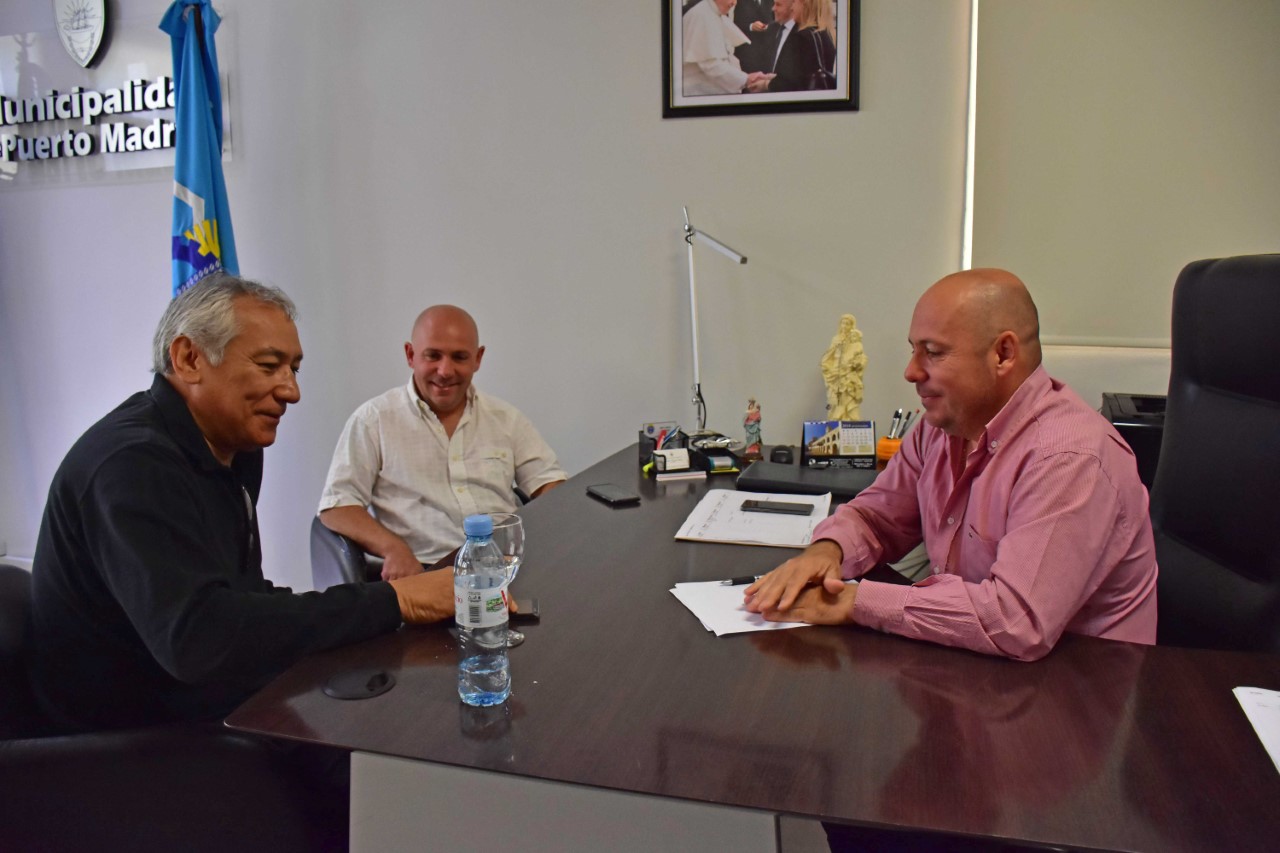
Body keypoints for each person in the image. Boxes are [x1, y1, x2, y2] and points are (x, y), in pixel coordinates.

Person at [27, 274, 454, 733]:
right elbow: (199, 640)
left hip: (207, 699)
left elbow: (240, 600)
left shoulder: (235, 448)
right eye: (270, 366)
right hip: (129, 746)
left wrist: (386, 609)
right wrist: (395, 601)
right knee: (386, 751)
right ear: (189, 358)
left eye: (294, 369)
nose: (291, 391)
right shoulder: (131, 465)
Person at [745, 269, 1158, 661]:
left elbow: (1015, 620)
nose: (910, 371)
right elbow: (877, 517)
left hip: (1079, 691)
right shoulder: (941, 429)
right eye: (913, 350)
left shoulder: (1069, 458)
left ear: (1003, 353)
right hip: (983, 670)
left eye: (933, 352)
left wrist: (855, 602)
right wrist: (827, 550)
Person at [319, 305, 566, 580]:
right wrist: (393, 548)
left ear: (478, 358)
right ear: (411, 355)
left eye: (459, 357)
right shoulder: (373, 420)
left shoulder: (506, 418)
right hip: (424, 574)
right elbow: (338, 507)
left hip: (506, 568)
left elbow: (552, 486)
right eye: (433, 356)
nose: (445, 371)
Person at [682, 0, 774, 95]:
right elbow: (711, 65)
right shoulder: (701, 15)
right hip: (698, 96)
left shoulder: (715, 13)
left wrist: (749, 77)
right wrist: (746, 79)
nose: (735, 3)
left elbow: (727, 56)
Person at [820, 313, 867, 419]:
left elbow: (861, 357)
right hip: (836, 373)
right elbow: (829, 355)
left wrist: (859, 364)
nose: (844, 326)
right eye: (843, 323)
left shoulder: (855, 341)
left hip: (849, 375)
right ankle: (835, 420)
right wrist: (828, 367)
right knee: (835, 400)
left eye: (847, 324)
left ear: (852, 326)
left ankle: (851, 421)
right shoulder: (836, 339)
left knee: (849, 398)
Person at [793, 0, 837, 89]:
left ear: (805, 5)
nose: (791, 6)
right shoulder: (828, 34)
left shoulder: (803, 37)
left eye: (794, 1)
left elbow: (796, 81)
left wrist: (766, 83)